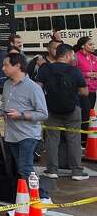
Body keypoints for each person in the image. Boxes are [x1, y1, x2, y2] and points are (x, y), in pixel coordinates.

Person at [0, 53, 50, 203]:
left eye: (6, 65)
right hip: (11, 135)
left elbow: (43, 114)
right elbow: (4, 107)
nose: (3, 68)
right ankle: (29, 196)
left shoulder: (33, 88)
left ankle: (42, 195)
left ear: (18, 66)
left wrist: (21, 115)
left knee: (25, 167)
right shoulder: (7, 84)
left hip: (28, 135)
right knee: (20, 168)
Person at [37, 44, 88, 181]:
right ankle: (76, 171)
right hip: (72, 110)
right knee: (74, 140)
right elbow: (84, 92)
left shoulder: (45, 69)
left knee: (52, 139)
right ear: (66, 55)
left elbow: (38, 88)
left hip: (51, 110)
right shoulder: (75, 71)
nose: (74, 57)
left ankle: (52, 169)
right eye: (72, 54)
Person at [76, 36, 97, 144]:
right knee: (83, 114)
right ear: (83, 46)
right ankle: (82, 138)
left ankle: (86, 138)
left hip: (93, 91)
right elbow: (74, 72)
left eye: (93, 44)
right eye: (90, 44)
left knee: (89, 114)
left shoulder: (94, 58)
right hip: (82, 91)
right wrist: (87, 74)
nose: (93, 46)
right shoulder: (77, 57)